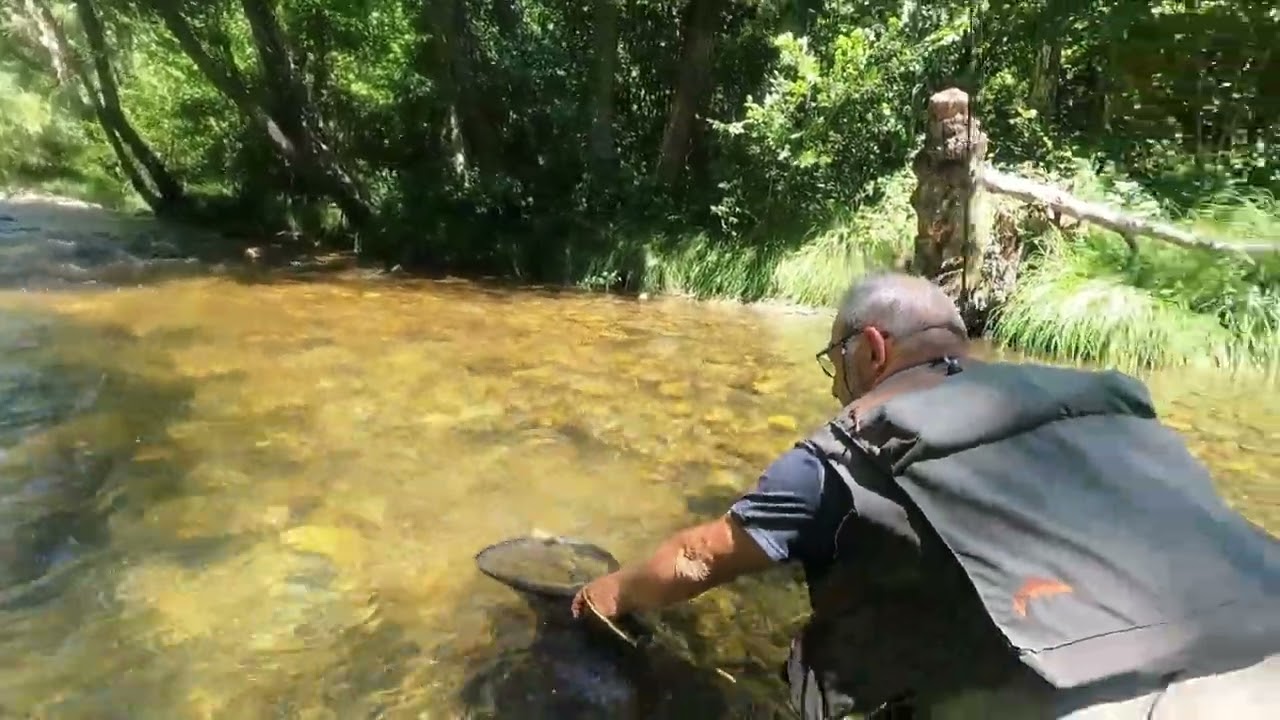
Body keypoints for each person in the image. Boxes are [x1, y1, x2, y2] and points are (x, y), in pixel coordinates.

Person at [570, 272, 1280, 719]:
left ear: (869, 349)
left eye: (836, 360)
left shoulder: (845, 450)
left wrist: (604, 596)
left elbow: (698, 558)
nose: (838, 382)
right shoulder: (1094, 399)